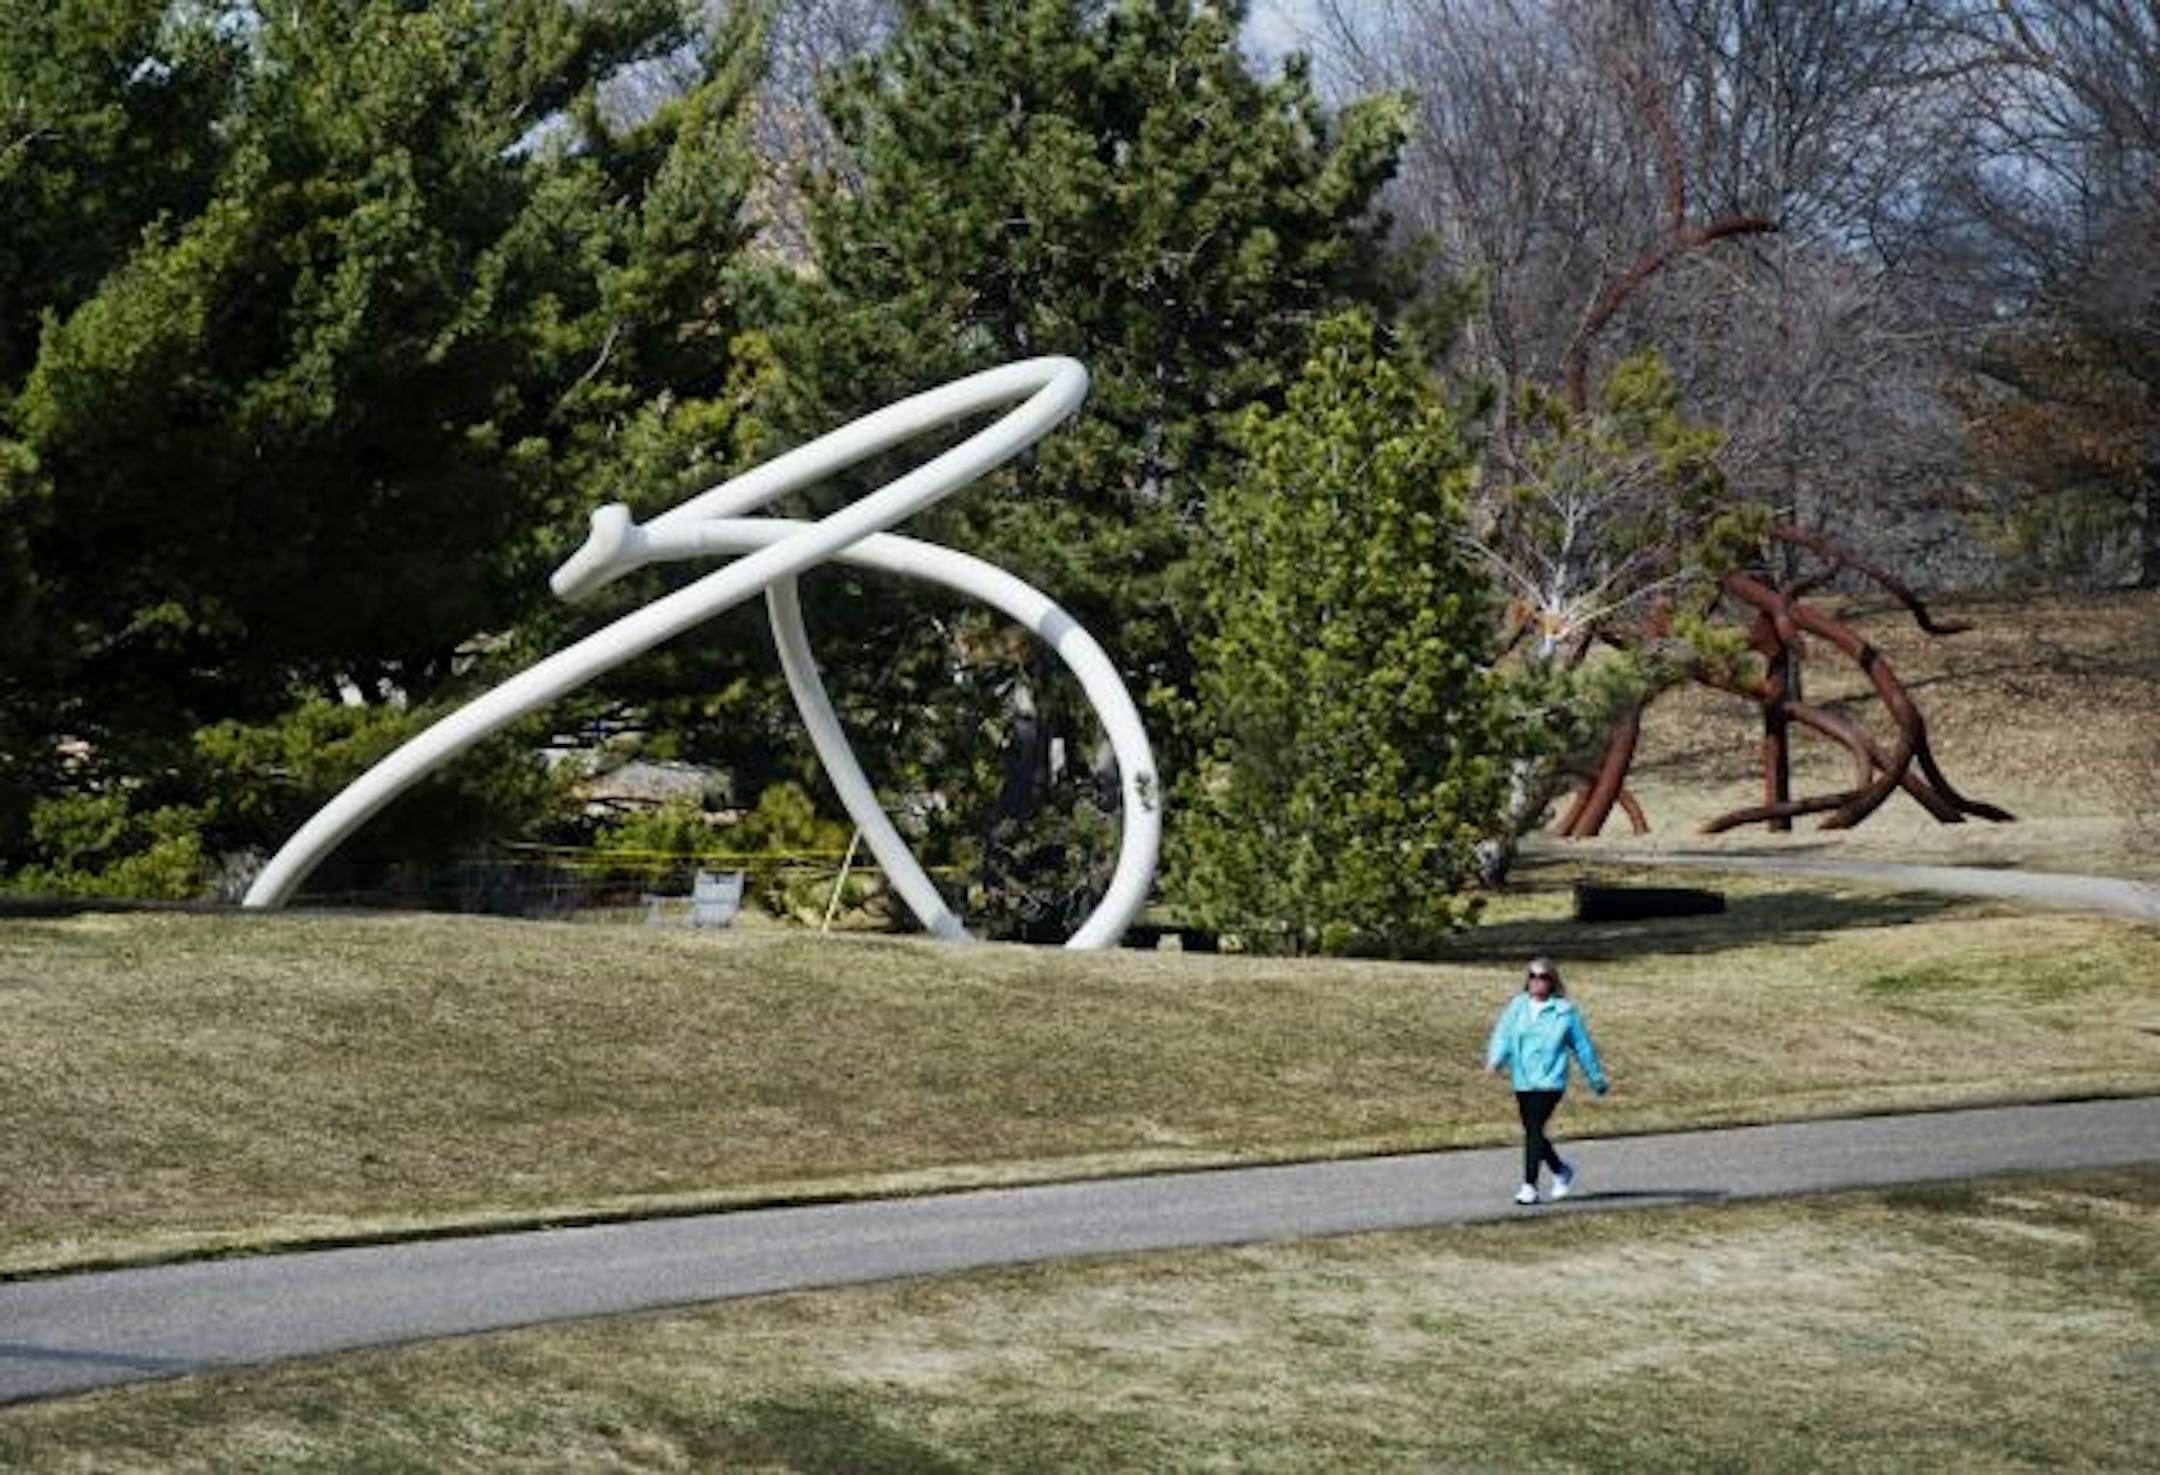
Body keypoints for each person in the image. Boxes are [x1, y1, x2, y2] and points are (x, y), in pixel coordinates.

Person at [1485, 954, 1608, 1205]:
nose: (1536, 982)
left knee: (1533, 1131)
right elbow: (1503, 1035)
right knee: (1534, 1132)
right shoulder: (1518, 1006)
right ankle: (1561, 1170)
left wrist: (1596, 1079)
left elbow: (1582, 1047)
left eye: (1542, 977)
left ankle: (1529, 1186)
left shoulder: (1565, 1012)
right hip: (1523, 1079)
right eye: (1532, 976)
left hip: (1551, 1081)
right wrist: (1496, 1059)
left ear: (1552, 982)